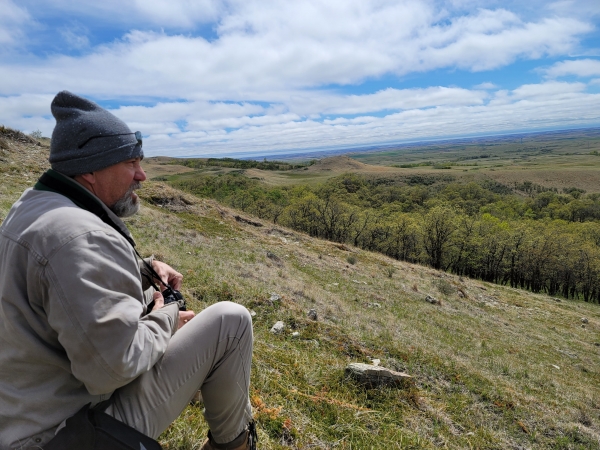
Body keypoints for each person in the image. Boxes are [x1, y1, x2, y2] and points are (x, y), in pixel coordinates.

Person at [0, 91, 255, 450]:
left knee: (154, 297)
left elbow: (69, 282)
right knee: (231, 321)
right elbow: (112, 369)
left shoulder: (34, 206)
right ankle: (235, 445)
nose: (142, 175)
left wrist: (145, 269)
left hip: (23, 411)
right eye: (130, 163)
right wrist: (167, 316)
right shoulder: (79, 236)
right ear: (89, 169)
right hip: (59, 435)